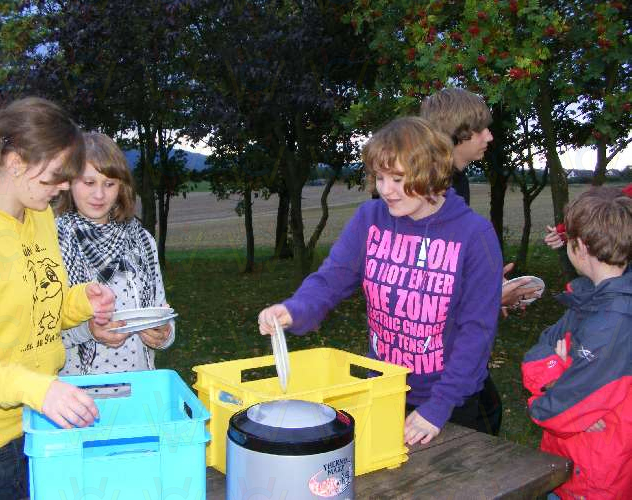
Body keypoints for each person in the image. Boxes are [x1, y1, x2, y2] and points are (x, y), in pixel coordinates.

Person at [258, 117, 503, 445]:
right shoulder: (369, 219)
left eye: (398, 179)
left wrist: (438, 407)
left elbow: (477, 332)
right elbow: (332, 279)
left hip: (453, 405)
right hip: (385, 391)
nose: (385, 189)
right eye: (380, 177)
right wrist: (293, 309)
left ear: (431, 172)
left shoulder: (474, 235)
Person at [0, 97, 115, 500]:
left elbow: (41, 308)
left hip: (37, 424)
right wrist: (38, 388)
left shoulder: (40, 216)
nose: (64, 187)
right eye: (55, 177)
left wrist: (82, 302)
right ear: (15, 163)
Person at [522, 186, 632, 499]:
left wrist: (542, 399)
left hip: (593, 480)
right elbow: (537, 353)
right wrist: (561, 378)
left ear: (580, 247)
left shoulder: (612, 321)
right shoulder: (588, 297)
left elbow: (555, 413)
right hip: (571, 463)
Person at [55, 132, 174, 376]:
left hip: (140, 385)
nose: (99, 195)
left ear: (122, 187)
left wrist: (165, 334)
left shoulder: (142, 240)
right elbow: (38, 335)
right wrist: (88, 331)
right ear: (69, 182)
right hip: (77, 391)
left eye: (109, 184)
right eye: (89, 183)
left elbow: (160, 310)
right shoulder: (52, 241)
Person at [420, 87, 541, 313]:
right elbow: (422, 286)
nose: (489, 136)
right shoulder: (428, 192)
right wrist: (490, 297)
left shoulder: (456, 182)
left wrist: (485, 281)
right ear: (456, 132)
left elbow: (447, 261)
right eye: (480, 129)